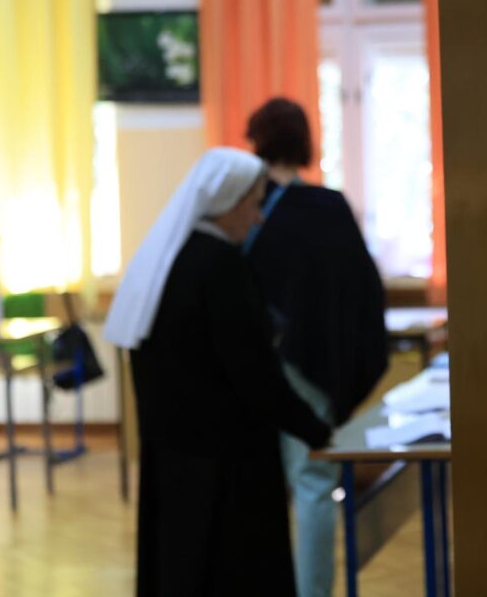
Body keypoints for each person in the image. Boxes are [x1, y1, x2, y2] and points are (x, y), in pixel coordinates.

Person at [103, 148, 331, 596]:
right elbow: (256, 374)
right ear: (228, 202)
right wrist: (315, 429)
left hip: (174, 460)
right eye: (255, 204)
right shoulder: (222, 265)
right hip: (228, 468)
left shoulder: (167, 261)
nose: (259, 218)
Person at [243, 98, 388, 597]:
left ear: (257, 141)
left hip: (254, 368)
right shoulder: (330, 207)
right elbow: (366, 292)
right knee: (312, 485)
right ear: (304, 142)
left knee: (257, 488)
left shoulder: (245, 207)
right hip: (314, 368)